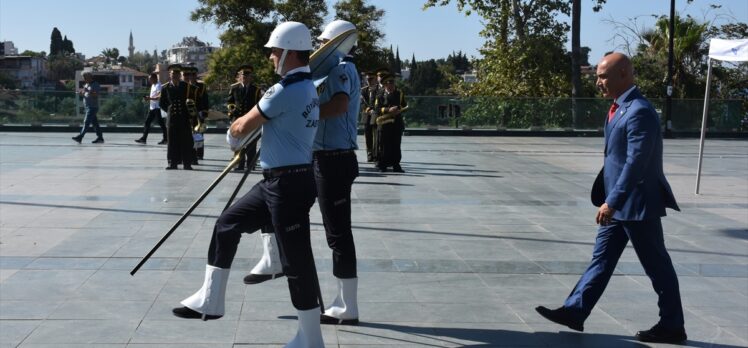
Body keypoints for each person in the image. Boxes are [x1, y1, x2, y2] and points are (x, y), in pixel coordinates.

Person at [172, 21, 324, 348]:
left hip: (288, 185)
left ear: (288, 52)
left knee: (297, 262)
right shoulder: (308, 87)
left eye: (274, 51)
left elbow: (242, 126)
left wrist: (232, 134)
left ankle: (311, 340)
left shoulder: (284, 90)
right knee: (227, 223)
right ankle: (210, 299)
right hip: (277, 180)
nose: (270, 56)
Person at [535, 52, 686, 344]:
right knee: (601, 259)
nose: (598, 82)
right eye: (597, 77)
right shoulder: (619, 107)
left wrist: (612, 201)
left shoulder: (639, 110)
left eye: (603, 76)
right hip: (618, 204)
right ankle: (574, 311)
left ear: (624, 75)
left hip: (636, 203)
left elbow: (636, 162)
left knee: (657, 266)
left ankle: (672, 326)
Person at [227, 64, 262, 172]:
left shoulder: (256, 89)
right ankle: (239, 164)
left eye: (248, 75)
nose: (245, 78)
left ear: (251, 77)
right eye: (243, 75)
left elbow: (258, 104)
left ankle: (251, 164)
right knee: (238, 143)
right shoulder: (234, 88)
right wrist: (231, 110)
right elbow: (230, 102)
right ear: (239, 76)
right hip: (238, 119)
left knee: (251, 142)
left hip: (250, 120)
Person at [160, 64, 195, 170]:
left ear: (180, 75)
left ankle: (187, 163)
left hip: (184, 118)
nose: (175, 76)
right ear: (170, 75)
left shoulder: (186, 86)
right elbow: (162, 103)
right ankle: (172, 163)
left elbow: (192, 101)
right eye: (173, 74)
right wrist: (170, 110)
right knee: (172, 142)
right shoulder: (165, 87)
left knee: (186, 141)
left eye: (177, 74)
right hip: (172, 119)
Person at [373, 74, 407, 172]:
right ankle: (382, 165)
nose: (392, 85)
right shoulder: (380, 94)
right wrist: (388, 110)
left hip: (396, 123)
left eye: (393, 83)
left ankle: (396, 165)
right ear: (385, 84)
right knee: (384, 145)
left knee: (396, 144)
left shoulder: (399, 93)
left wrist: (399, 109)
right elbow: (376, 109)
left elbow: (404, 105)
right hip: (384, 123)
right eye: (389, 83)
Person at [183, 66, 209, 163]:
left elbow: (205, 100)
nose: (192, 76)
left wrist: (204, 112)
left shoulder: (202, 86)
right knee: (188, 135)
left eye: (194, 74)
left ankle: (199, 154)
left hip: (198, 113)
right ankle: (190, 153)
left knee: (199, 134)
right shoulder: (185, 86)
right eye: (190, 75)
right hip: (188, 114)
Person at [72, 71, 104, 144]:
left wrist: (88, 91)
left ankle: (80, 137)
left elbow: (96, 95)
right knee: (95, 124)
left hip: (92, 107)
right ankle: (100, 138)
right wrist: (81, 93)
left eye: (85, 77)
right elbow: (86, 95)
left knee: (86, 122)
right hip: (88, 106)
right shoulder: (86, 84)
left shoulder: (95, 84)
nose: (84, 79)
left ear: (89, 77)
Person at [135, 73, 167, 145]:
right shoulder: (153, 85)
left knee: (161, 124)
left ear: (155, 78)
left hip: (157, 108)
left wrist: (149, 98)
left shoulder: (159, 85)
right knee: (147, 122)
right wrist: (148, 98)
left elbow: (159, 97)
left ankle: (166, 139)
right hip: (152, 108)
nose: (149, 80)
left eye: (150, 79)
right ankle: (144, 138)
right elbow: (153, 96)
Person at [360, 71, 378, 162]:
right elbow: (362, 104)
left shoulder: (379, 90)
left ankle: (376, 153)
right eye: (367, 79)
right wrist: (368, 110)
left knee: (376, 134)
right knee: (368, 135)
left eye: (371, 79)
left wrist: (374, 110)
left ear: (375, 79)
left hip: (376, 114)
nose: (369, 81)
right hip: (366, 114)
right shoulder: (363, 90)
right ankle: (369, 153)